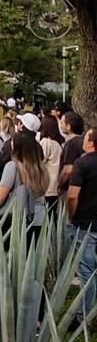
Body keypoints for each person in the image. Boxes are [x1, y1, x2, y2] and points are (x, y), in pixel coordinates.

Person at [0, 133, 49, 243]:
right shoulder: (41, 169)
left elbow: (0, 196)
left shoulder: (12, 166)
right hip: (39, 218)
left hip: (15, 219)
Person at [68, 128, 97, 328]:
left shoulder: (82, 163)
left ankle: (83, 318)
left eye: (86, 137)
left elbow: (72, 195)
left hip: (85, 224)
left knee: (86, 272)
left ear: (91, 142)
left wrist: (71, 215)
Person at [0, 113, 41, 180]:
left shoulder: (13, 142)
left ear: (21, 126)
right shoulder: (38, 146)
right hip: (33, 184)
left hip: (10, 183)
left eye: (19, 122)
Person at [38, 115, 63, 212]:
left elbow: (41, 159)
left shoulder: (46, 142)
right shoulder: (58, 143)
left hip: (47, 184)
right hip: (56, 183)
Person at [59, 111, 86, 192]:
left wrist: (60, 185)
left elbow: (68, 170)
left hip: (70, 188)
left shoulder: (71, 144)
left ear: (68, 126)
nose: (60, 125)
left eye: (62, 123)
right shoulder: (84, 141)